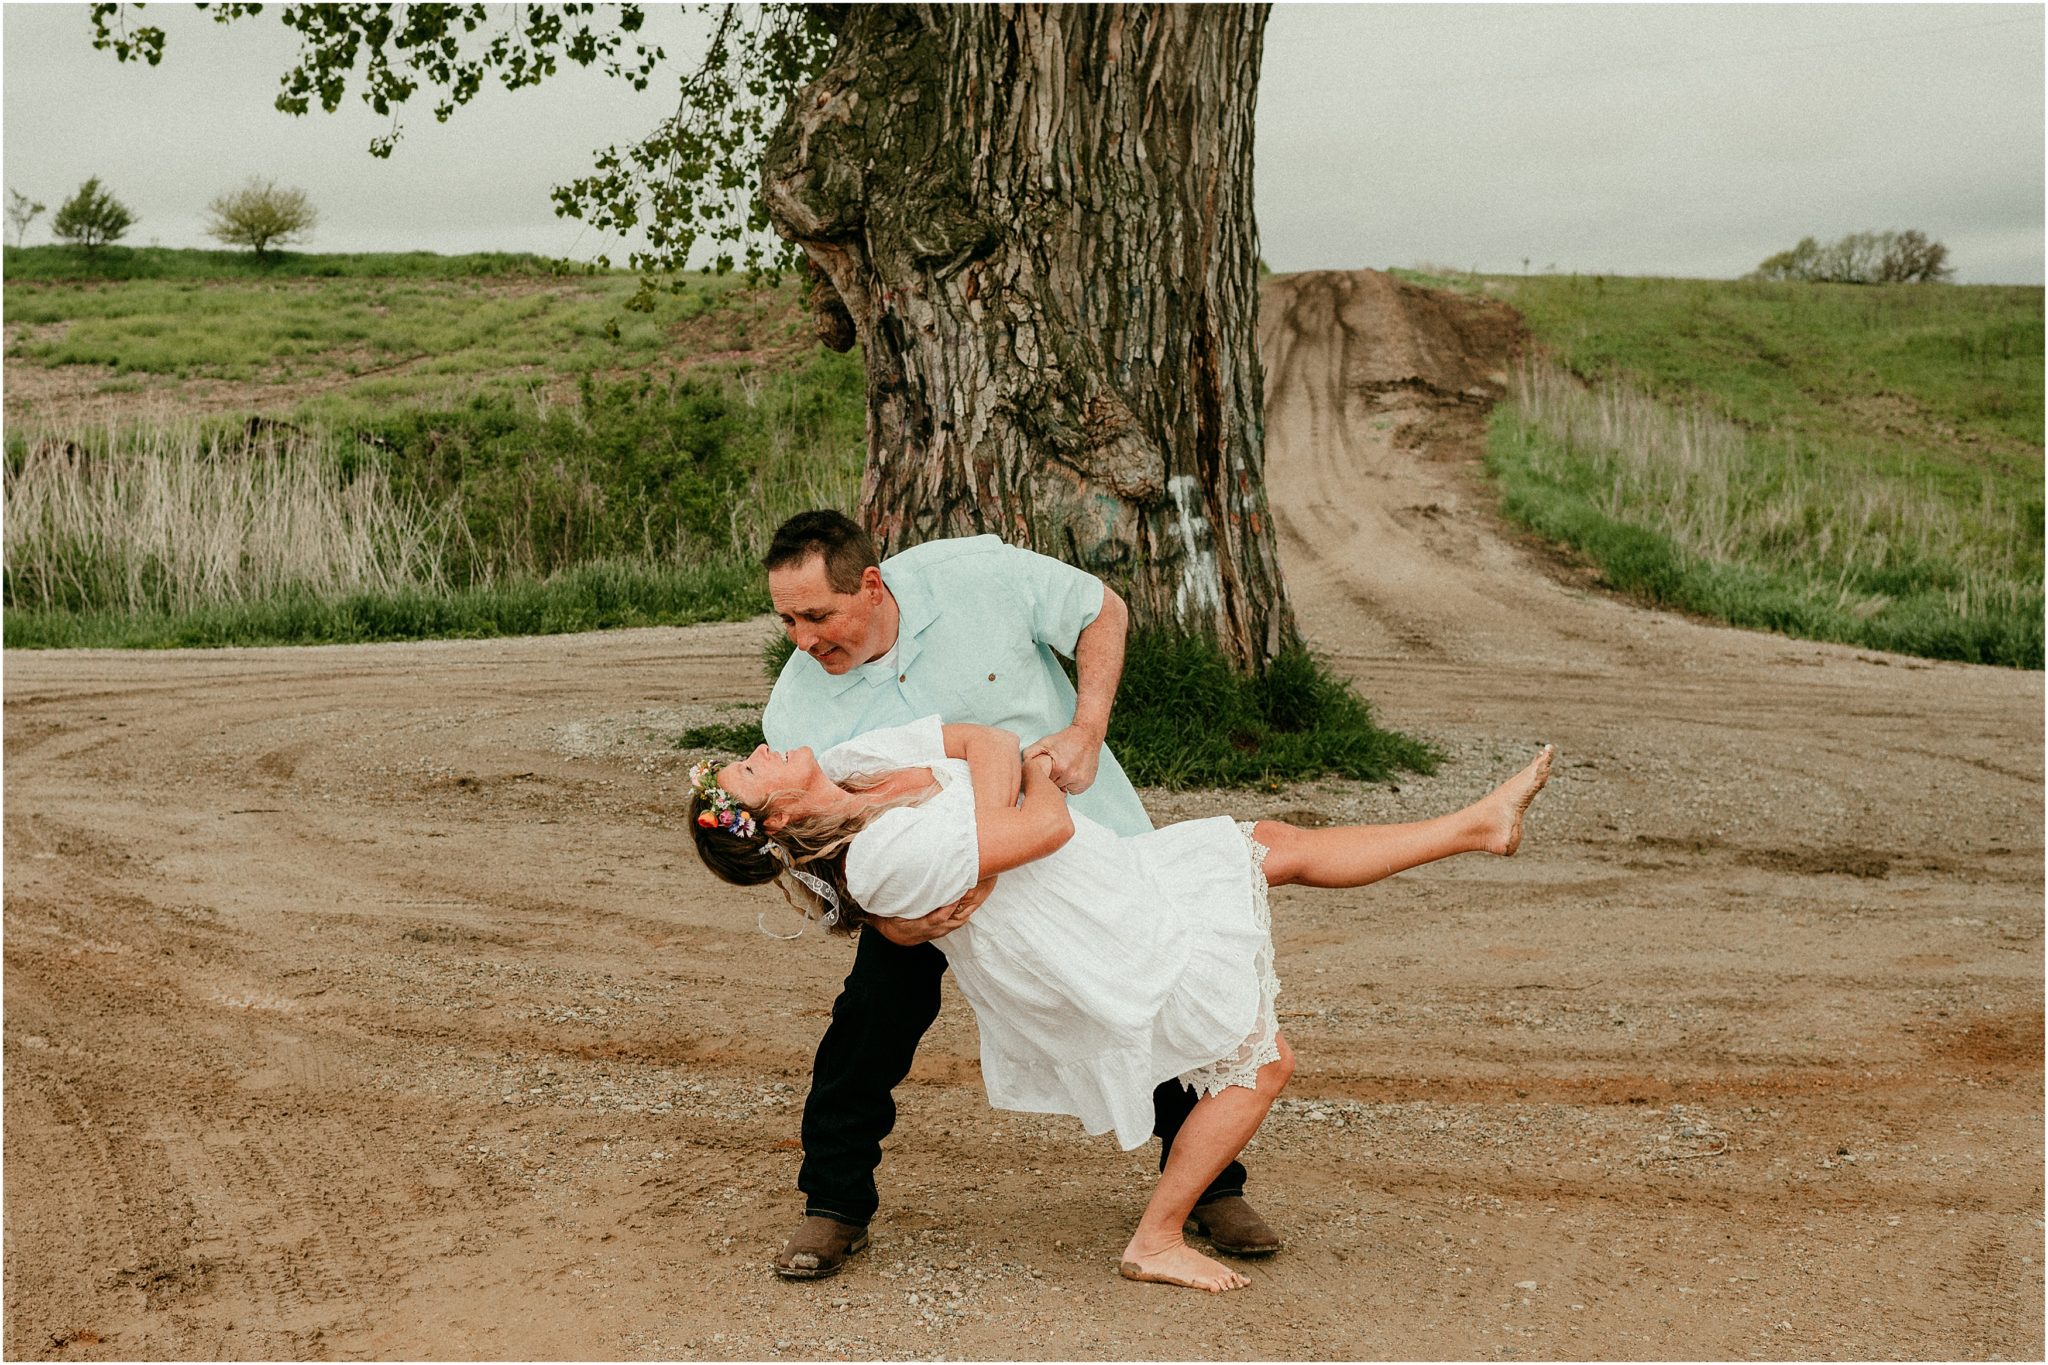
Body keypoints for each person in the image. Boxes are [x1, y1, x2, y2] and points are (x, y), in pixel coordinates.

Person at [691, 715, 1554, 1292]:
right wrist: (1027, 780)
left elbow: (978, 736)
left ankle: (1478, 826)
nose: (761, 749)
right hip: (1080, 941)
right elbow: (1043, 820)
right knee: (1262, 1063)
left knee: (1273, 844)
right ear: (770, 817)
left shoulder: (852, 763)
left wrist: (991, 832)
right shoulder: (878, 864)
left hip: (1106, 879)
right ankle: (1156, 1237)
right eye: (750, 767)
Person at [752, 510, 1281, 1281]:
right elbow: (817, 865)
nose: (802, 639)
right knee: (869, 1018)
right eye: (787, 619)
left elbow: (1103, 608)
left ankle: (1209, 1186)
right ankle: (833, 1204)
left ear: (870, 585)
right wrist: (892, 924)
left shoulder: (974, 575)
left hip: (1073, 845)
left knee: (1159, 984)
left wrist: (1087, 727)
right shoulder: (796, 711)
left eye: (818, 615)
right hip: (929, 895)